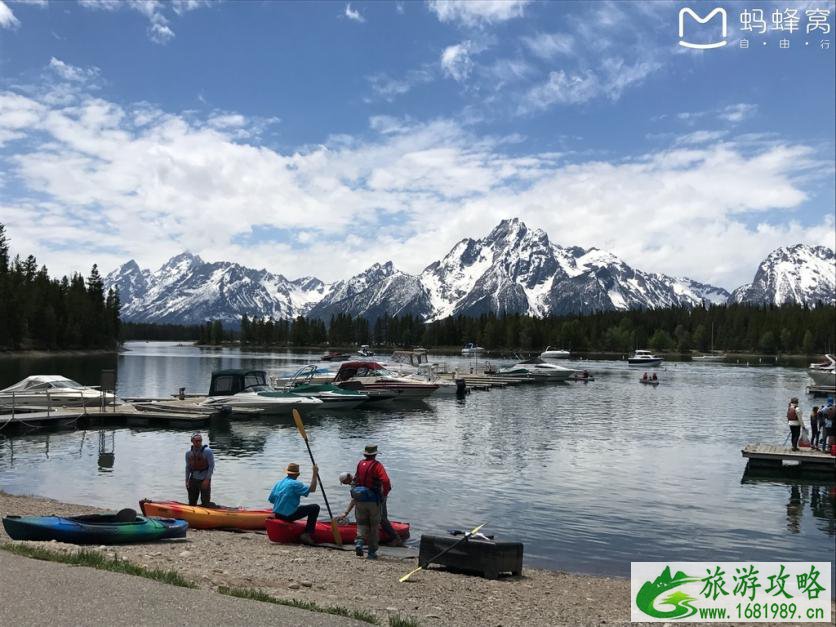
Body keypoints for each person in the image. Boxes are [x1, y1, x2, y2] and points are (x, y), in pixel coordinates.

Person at [338, 471, 402, 548]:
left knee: (382, 518)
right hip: (374, 498)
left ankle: (396, 539)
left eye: (345, 482)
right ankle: (371, 535)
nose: (346, 484)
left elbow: (354, 500)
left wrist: (346, 512)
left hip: (380, 496)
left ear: (348, 477)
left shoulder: (356, 482)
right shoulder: (355, 482)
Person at [351, 444, 391, 560]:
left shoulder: (360, 464)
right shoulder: (377, 465)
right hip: (373, 501)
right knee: (374, 527)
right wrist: (385, 494)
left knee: (361, 524)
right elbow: (386, 480)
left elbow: (355, 479)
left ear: (365, 454)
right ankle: (371, 552)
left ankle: (359, 543)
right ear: (375, 454)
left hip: (360, 500)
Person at [268, 462, 319, 546]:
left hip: (277, 514)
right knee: (315, 507)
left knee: (300, 507)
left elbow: (272, 500)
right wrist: (315, 473)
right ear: (298, 474)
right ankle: (307, 534)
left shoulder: (279, 483)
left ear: (287, 472)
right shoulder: (296, 484)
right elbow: (312, 489)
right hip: (288, 516)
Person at [185, 433, 214, 506]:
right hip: (193, 479)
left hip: (204, 479)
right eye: (196, 441)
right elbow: (188, 467)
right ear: (192, 441)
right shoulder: (188, 453)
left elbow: (211, 466)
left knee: (205, 502)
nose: (198, 442)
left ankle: (210, 509)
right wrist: (186, 480)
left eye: (200, 441)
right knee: (192, 502)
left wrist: (207, 479)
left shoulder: (208, 451)